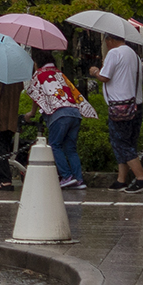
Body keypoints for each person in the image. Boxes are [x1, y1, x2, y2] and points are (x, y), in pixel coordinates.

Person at [91, 33, 143, 192]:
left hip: (120, 106)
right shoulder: (134, 55)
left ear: (110, 40)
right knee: (128, 142)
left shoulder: (114, 53)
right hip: (136, 104)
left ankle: (141, 179)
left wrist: (95, 71)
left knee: (120, 142)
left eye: (106, 41)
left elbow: (104, 77)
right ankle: (121, 179)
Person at [26, 50, 93, 190]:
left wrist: (31, 113)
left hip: (59, 114)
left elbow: (36, 96)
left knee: (55, 145)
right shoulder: (59, 74)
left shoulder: (39, 75)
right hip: (75, 113)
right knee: (70, 148)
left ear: (37, 62)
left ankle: (67, 176)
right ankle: (78, 179)